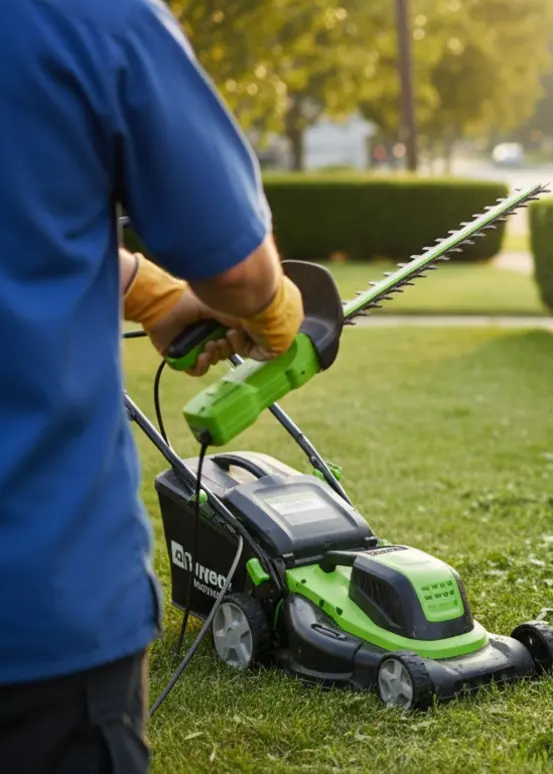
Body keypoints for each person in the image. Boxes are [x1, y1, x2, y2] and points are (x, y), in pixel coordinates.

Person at [0, 1, 305, 771]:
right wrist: (271, 305)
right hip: (39, 611)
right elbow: (236, 267)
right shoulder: (89, 16)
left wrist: (146, 292)